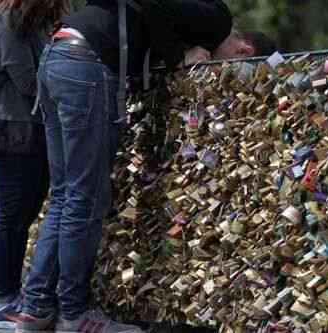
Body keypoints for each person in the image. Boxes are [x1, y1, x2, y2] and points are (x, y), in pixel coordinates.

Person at [17, 1, 252, 333]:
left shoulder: (191, 13)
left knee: (65, 195)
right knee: (84, 199)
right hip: (87, 65)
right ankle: (73, 314)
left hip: (58, 54)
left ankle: (36, 308)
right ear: (245, 47)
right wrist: (177, 57)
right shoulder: (215, 14)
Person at [0, 0, 68, 330]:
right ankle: (3, 301)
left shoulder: (27, 17)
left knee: (22, 213)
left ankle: (10, 297)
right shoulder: (4, 19)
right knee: (10, 213)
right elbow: (27, 80)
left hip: (28, 125)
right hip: (12, 126)